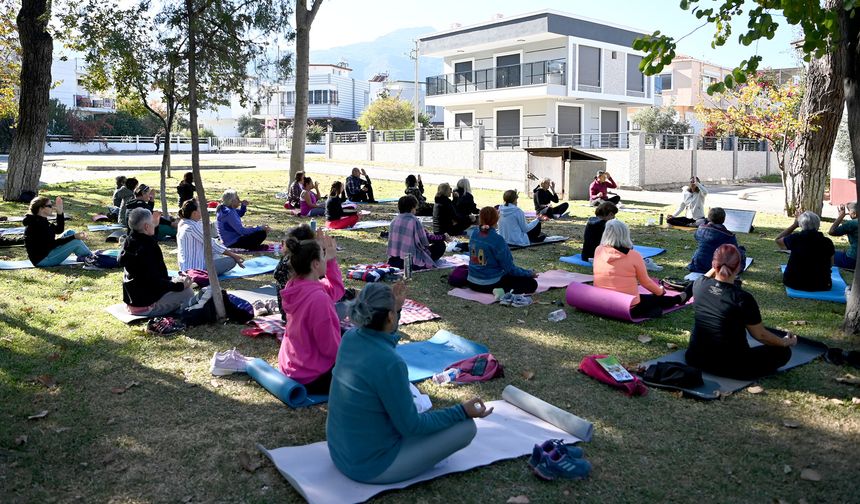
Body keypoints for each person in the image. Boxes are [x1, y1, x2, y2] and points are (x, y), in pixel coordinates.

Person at [327, 282, 491, 484]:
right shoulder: (390, 362)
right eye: (394, 313)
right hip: (370, 467)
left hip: (340, 453)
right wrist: (462, 411)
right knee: (466, 428)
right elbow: (411, 427)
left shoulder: (351, 338)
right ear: (389, 317)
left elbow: (384, 334)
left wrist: (396, 307)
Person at [686, 244, 796, 379]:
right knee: (783, 353)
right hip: (734, 367)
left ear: (714, 265)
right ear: (739, 267)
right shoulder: (742, 298)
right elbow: (760, 335)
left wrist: (719, 262)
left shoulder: (698, 284)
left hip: (695, 359)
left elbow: (707, 276)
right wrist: (785, 342)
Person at [278, 232, 344, 394]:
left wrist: (331, 260)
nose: (325, 259)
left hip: (292, 365)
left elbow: (336, 291)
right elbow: (331, 349)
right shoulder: (318, 299)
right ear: (315, 264)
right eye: (323, 257)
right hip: (312, 376)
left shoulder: (295, 285)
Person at [593, 220, 690, 319]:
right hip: (627, 306)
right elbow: (645, 282)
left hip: (602, 300)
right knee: (655, 299)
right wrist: (660, 292)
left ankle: (678, 299)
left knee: (647, 298)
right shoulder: (633, 255)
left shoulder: (598, 250)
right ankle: (678, 299)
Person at [120, 207, 194, 317]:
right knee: (188, 292)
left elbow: (148, 276)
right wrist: (179, 285)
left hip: (132, 302)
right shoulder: (149, 247)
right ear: (146, 226)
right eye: (152, 222)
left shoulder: (129, 241)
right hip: (146, 305)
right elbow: (154, 282)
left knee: (178, 285)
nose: (155, 224)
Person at [467, 206, 538, 294]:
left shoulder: (474, 233)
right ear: (496, 219)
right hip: (490, 283)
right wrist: (529, 273)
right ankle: (502, 290)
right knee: (532, 284)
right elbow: (510, 268)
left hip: (472, 282)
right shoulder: (497, 239)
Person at [177, 199, 245, 275]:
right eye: (200, 207)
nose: (203, 209)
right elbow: (211, 244)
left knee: (217, 254)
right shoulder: (192, 227)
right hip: (196, 269)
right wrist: (234, 255)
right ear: (194, 213)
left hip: (187, 266)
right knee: (231, 260)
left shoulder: (184, 222)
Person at [24, 196, 93, 267]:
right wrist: (74, 237)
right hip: (43, 260)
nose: (53, 208)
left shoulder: (41, 220)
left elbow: (59, 230)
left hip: (47, 252)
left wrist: (60, 213)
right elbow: (52, 244)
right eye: (50, 206)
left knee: (70, 232)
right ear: (41, 208)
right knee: (76, 242)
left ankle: (88, 256)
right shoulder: (36, 225)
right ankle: (92, 259)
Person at [776, 211, 835, 292]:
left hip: (793, 283)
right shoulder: (827, 242)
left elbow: (778, 240)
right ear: (818, 225)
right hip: (822, 284)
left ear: (801, 225)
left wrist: (794, 225)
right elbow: (831, 264)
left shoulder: (795, 238)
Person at [387, 195, 447, 270]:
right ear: (412, 208)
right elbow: (425, 240)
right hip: (411, 260)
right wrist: (443, 237)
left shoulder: (394, 220)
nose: (416, 210)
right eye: (415, 208)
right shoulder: (414, 221)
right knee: (440, 245)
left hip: (394, 258)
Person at [688, 207, 746, 274]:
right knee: (740, 251)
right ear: (724, 219)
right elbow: (734, 251)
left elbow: (696, 236)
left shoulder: (701, 228)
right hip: (716, 266)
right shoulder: (728, 235)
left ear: (709, 218)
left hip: (697, 263)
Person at [829, 202, 858, 270]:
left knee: (826, 252)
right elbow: (846, 228)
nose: (848, 213)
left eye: (849, 211)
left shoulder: (853, 223)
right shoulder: (852, 224)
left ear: (854, 214)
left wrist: (841, 216)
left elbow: (832, 231)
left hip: (852, 260)